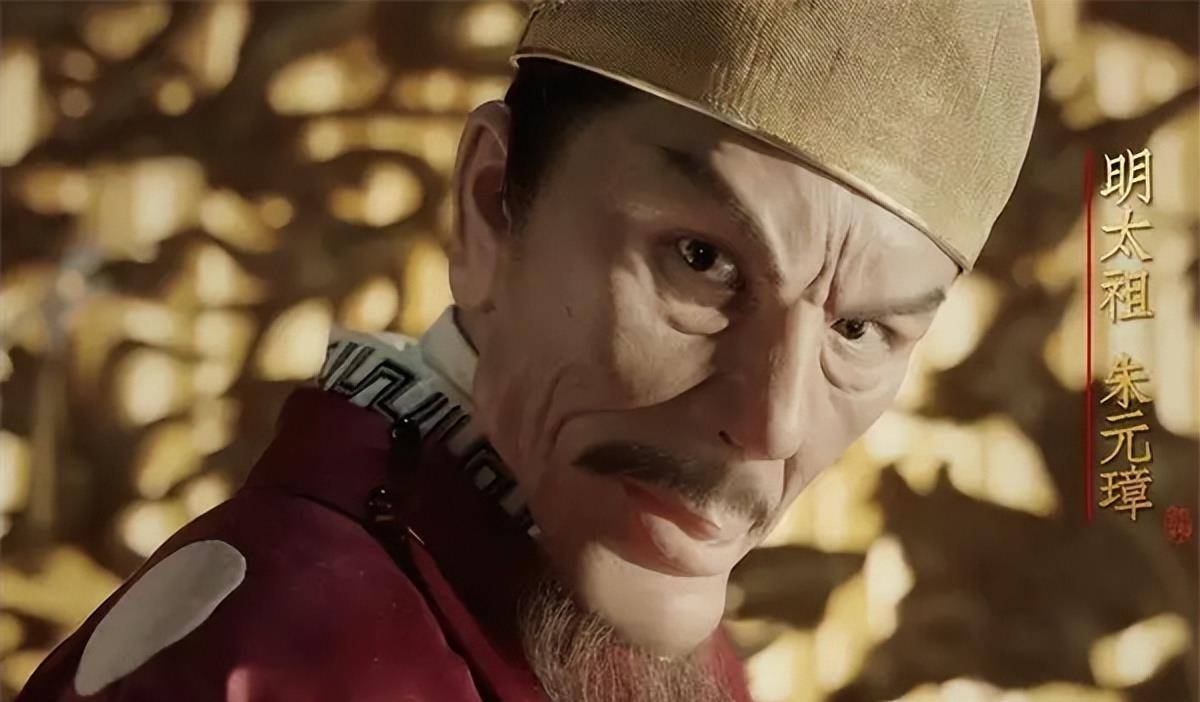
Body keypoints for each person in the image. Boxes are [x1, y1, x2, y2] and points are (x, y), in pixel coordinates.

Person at [18, 1, 1040, 700]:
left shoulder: (651, 632)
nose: (771, 424)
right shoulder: (272, 660)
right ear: (490, 207)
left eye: (858, 330)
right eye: (702, 261)